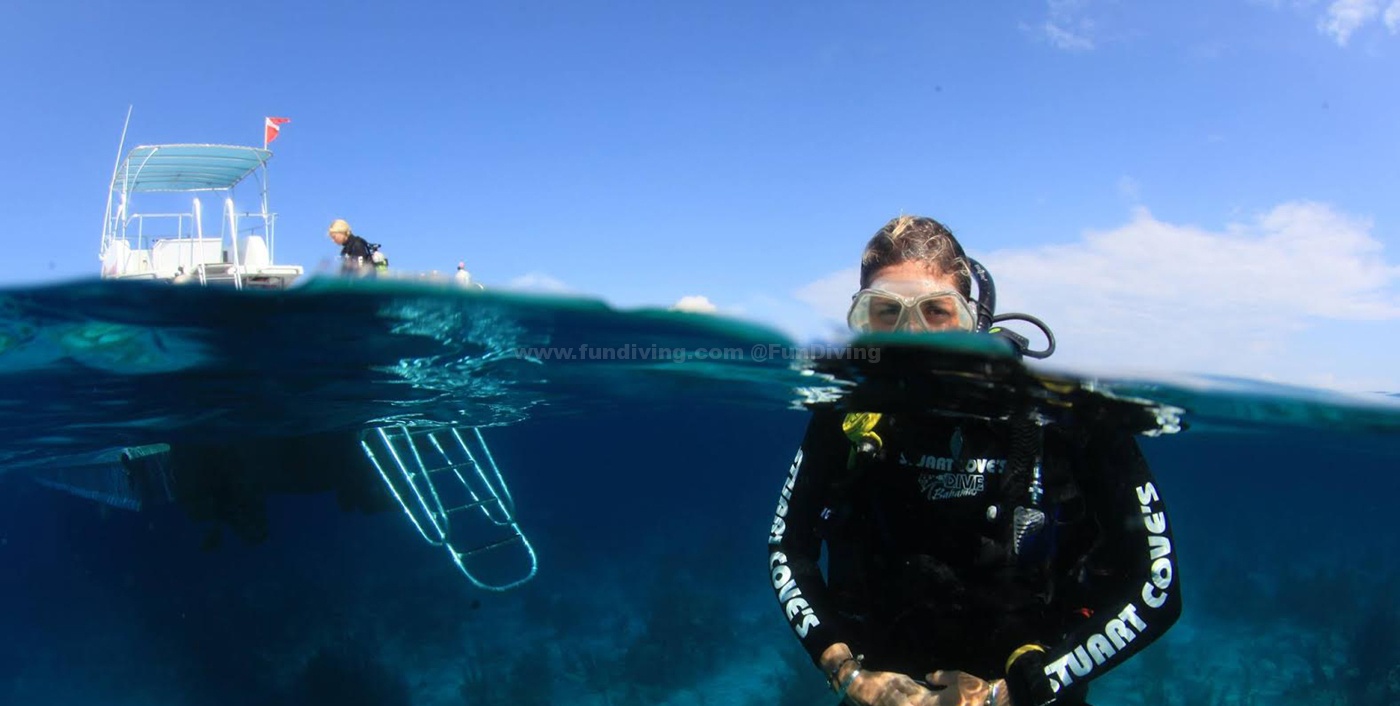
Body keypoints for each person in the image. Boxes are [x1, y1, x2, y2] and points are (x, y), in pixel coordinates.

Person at [768, 215, 1181, 706]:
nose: (912, 341)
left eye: (936, 313)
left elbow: (1158, 585)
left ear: (976, 320)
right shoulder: (848, 415)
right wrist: (850, 675)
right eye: (885, 313)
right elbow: (786, 547)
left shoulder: (1069, 419)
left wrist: (1009, 693)